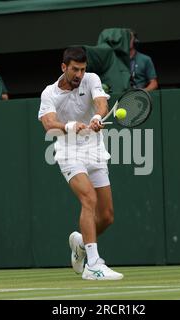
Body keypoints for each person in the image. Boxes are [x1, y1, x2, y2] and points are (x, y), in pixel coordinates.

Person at [38, 47, 123, 280]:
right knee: (89, 198)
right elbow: (48, 123)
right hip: (68, 151)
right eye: (75, 69)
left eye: (83, 69)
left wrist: (96, 117)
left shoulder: (91, 79)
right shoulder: (49, 93)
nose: (79, 74)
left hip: (94, 150)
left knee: (106, 216)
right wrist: (68, 126)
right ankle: (93, 265)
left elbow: (101, 103)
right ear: (64, 67)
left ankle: (81, 243)